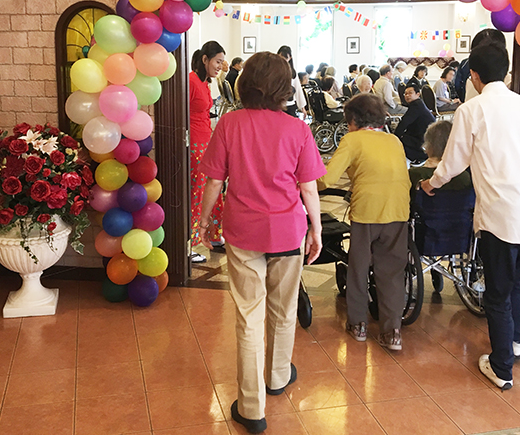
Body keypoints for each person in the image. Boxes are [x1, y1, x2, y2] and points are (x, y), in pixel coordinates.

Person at [198, 52, 325, 434]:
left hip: (243, 233)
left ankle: (251, 408)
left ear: (245, 82)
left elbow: (215, 182)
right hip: (288, 231)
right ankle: (278, 376)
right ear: (284, 88)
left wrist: (203, 220)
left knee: (248, 316)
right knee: (283, 310)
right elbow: (309, 187)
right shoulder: (298, 129)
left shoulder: (230, 124)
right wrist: (316, 229)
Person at [420, 41, 520, 391]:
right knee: (515, 282)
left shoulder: (472, 110)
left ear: (474, 76)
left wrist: (430, 184)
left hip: (501, 215)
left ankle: (501, 368)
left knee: (495, 294)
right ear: (506, 72)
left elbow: (452, 162)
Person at [317, 94, 410, 349]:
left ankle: (358, 324)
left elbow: (327, 178)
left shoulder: (352, 139)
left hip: (367, 211)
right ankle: (392, 332)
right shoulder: (394, 140)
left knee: (358, 268)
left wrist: (302, 180)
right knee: (392, 272)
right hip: (399, 210)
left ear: (354, 120)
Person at [189, 41, 226, 263]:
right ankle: (191, 242)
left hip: (206, 140)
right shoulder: (192, 81)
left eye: (222, 62)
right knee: (198, 192)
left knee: (215, 188)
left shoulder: (205, 83)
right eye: (217, 61)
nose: (220, 66)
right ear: (205, 59)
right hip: (194, 143)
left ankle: (213, 234)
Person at [408, 121, 471, 203]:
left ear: (428, 146)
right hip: (464, 215)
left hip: (424, 215)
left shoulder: (413, 174)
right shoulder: (466, 175)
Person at [394, 82, 435, 163]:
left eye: (410, 93)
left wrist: (394, 137)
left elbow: (404, 122)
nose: (407, 95)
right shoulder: (417, 104)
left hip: (422, 142)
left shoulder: (416, 106)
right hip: (426, 140)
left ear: (418, 94)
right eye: (405, 94)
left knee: (397, 142)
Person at [277, 46, 306, 118]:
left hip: (290, 105)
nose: (283, 60)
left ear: (290, 58)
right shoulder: (274, 72)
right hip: (277, 105)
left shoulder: (292, 73)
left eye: (285, 58)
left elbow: (298, 89)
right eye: (281, 57)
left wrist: (302, 107)